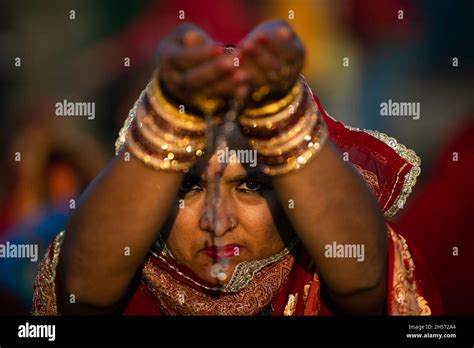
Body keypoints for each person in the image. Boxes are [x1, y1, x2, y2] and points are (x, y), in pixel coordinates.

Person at [32, 20, 441, 316]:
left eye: (251, 187)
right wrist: (169, 120)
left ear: (293, 199)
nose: (218, 221)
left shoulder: (319, 276)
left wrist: (279, 116)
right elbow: (82, 292)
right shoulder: (132, 276)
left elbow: (367, 278)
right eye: (187, 187)